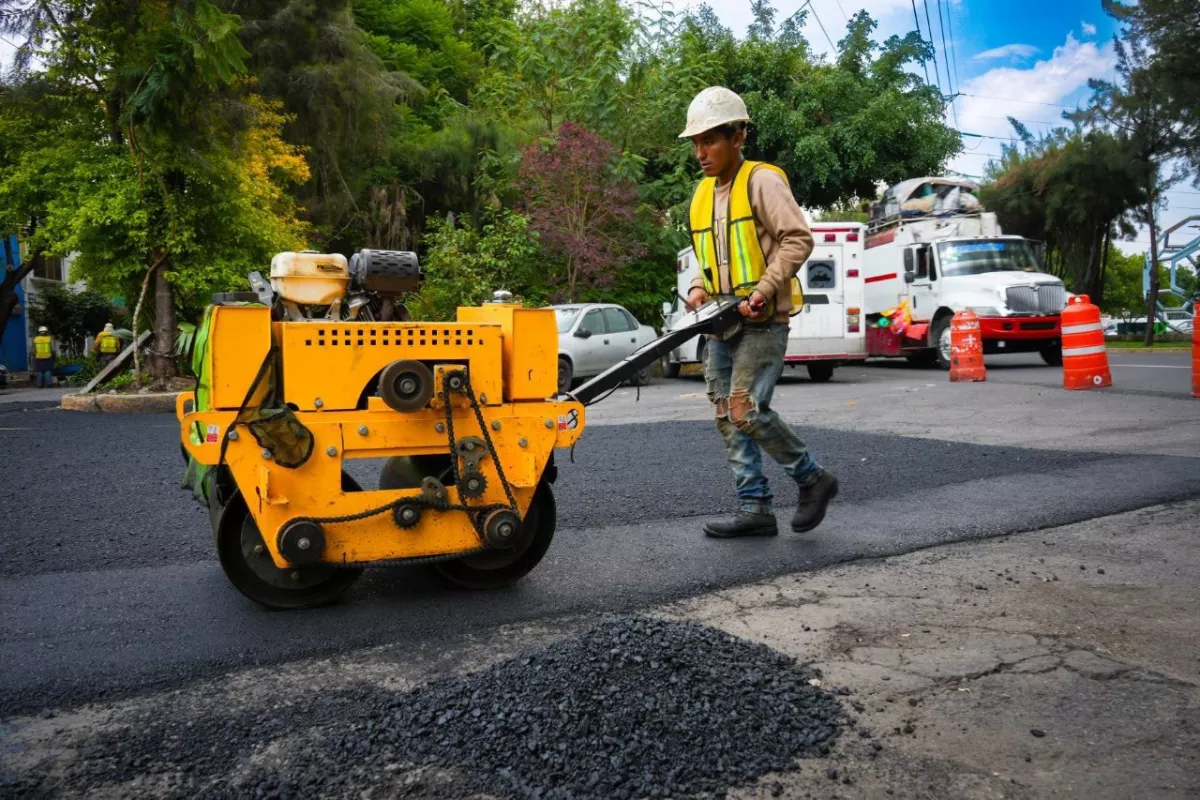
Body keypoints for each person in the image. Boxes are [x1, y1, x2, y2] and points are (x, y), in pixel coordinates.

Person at [679, 86, 839, 538]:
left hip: (762, 320)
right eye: (695, 143)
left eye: (709, 140)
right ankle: (755, 508)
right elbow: (701, 256)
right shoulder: (701, 195)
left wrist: (767, 289)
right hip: (720, 321)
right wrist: (696, 286)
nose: (700, 152)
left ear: (738, 136)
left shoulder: (762, 181)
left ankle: (813, 478)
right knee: (725, 415)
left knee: (745, 409)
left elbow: (797, 239)